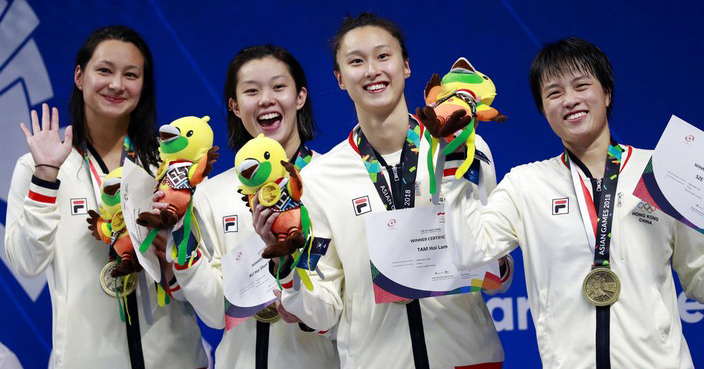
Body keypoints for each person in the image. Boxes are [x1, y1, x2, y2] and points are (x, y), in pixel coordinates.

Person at [263, 13, 512, 369]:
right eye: (356, 61)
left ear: (406, 66)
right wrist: (290, 277)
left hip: (468, 358)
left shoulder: (462, 146)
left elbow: (497, 269)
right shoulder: (320, 178)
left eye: (383, 56)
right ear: (339, 79)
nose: (372, 70)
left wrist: (494, 266)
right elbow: (325, 310)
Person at [444, 37, 704, 368]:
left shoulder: (662, 172)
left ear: (607, 93)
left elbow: (699, 274)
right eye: (554, 93)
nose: (569, 100)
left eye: (581, 86)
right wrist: (454, 168)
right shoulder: (526, 185)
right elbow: (469, 252)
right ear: (542, 108)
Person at [5, 25, 207, 368]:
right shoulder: (41, 166)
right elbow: (26, 263)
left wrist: (174, 257)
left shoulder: (168, 166)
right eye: (104, 70)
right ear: (79, 76)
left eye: (131, 74)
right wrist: (45, 179)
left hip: (175, 358)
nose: (116, 84)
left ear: (143, 86)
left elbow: (204, 270)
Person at [168, 45, 339, 369]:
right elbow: (216, 313)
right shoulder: (210, 194)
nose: (265, 99)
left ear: (300, 96)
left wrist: (301, 301)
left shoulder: (329, 180)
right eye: (251, 91)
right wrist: (181, 242)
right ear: (234, 105)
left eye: (278, 87)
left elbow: (346, 302)